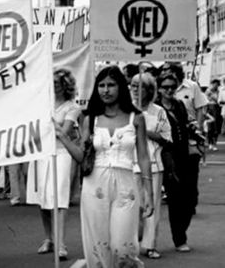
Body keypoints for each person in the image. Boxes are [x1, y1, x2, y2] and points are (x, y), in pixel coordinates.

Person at [75, 66, 153, 267]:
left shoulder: (136, 118)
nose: (105, 90)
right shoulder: (90, 119)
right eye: (101, 85)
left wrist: (149, 193)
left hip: (126, 186)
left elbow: (144, 156)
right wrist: (61, 137)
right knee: (98, 244)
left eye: (111, 85)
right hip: (94, 185)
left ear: (121, 87)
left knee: (122, 246)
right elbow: (81, 157)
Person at [27, 68, 80, 261]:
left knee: (60, 197)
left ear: (65, 86)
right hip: (42, 154)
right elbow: (33, 129)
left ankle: (61, 242)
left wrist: (47, 123)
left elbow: (63, 132)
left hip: (62, 154)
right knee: (43, 198)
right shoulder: (43, 104)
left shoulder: (72, 107)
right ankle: (48, 238)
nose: (54, 86)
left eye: (57, 83)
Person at [130, 73, 172, 259]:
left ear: (150, 90)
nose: (135, 90)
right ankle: (131, 242)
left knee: (151, 206)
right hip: (128, 164)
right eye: (133, 85)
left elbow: (167, 138)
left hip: (153, 165)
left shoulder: (159, 111)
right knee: (131, 206)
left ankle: (150, 245)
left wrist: (145, 132)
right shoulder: (125, 110)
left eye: (140, 86)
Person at [160, 63, 206, 215]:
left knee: (190, 174)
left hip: (187, 138)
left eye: (168, 70)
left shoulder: (191, 87)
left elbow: (200, 108)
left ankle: (190, 202)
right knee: (172, 175)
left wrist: (197, 127)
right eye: (165, 87)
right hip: (167, 142)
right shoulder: (158, 100)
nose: (169, 90)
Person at [155, 73, 195, 252]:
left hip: (185, 155)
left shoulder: (179, 105)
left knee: (190, 198)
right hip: (167, 157)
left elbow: (184, 126)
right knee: (176, 198)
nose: (169, 90)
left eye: (173, 86)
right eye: (165, 87)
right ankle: (179, 238)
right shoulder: (155, 108)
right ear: (159, 89)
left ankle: (182, 229)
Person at [205, 79, 220, 151]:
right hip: (209, 108)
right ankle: (210, 143)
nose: (215, 86)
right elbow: (205, 100)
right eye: (214, 84)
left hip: (216, 108)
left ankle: (214, 143)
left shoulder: (219, 91)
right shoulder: (208, 91)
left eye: (217, 84)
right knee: (210, 127)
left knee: (216, 127)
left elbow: (218, 100)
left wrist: (213, 98)